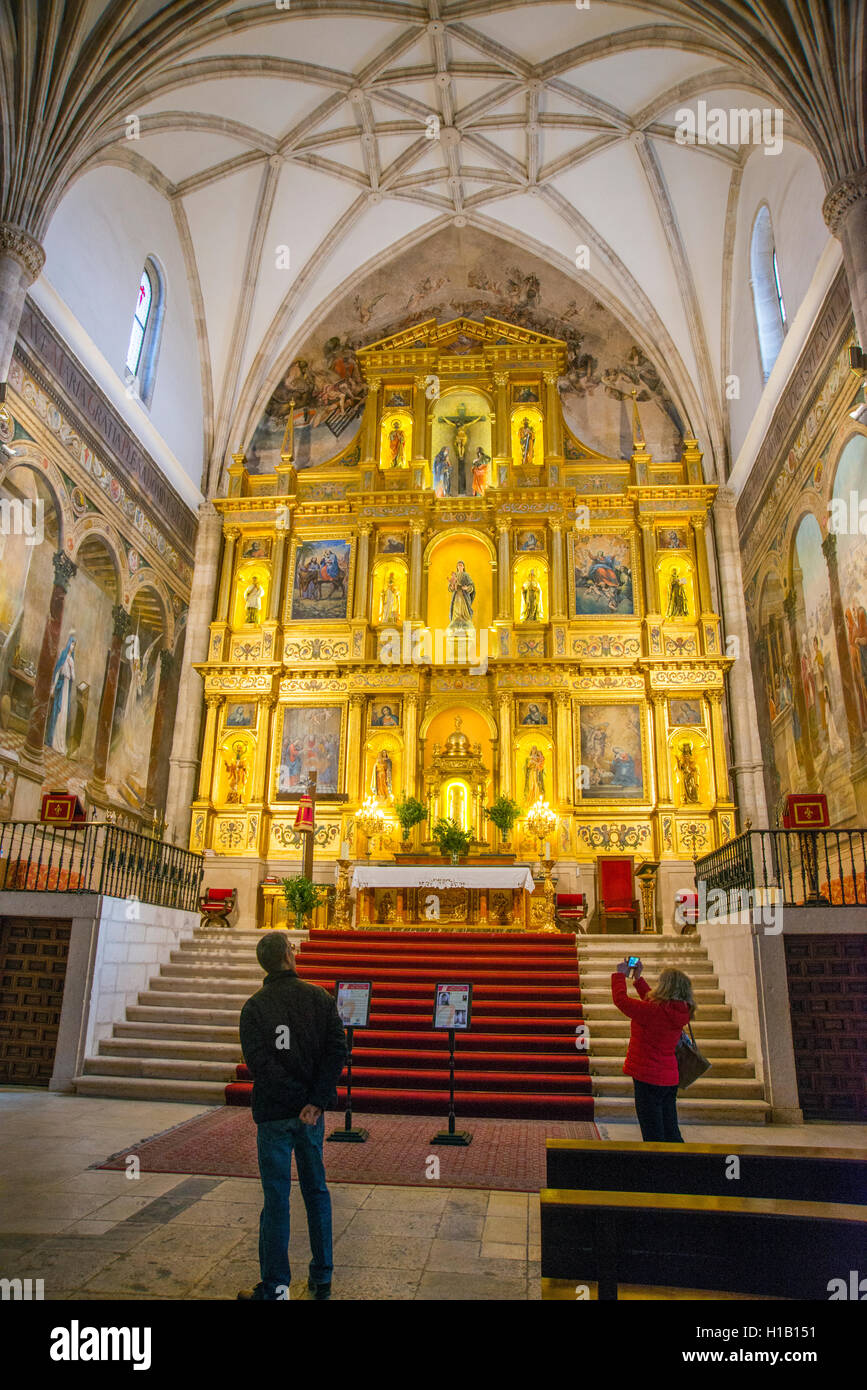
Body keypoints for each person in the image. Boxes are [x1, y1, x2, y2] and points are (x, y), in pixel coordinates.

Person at [238, 932, 347, 1301]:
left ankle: (276, 1286)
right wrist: (313, 1102)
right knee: (316, 1191)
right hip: (309, 1117)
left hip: (273, 1113)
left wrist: (294, 1099)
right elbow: (337, 1051)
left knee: (276, 1198)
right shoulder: (319, 997)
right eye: (292, 948)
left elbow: (260, 1065)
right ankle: (322, 1277)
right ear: (288, 954)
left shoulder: (254, 1007)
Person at [610, 958, 695, 1143]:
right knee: (670, 1128)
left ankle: (658, 1169)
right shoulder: (680, 1010)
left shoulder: (654, 1011)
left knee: (653, 1133)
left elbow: (621, 1000)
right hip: (669, 1077)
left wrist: (619, 975)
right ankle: (681, 1165)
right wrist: (638, 979)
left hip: (648, 1076)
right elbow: (653, 1002)